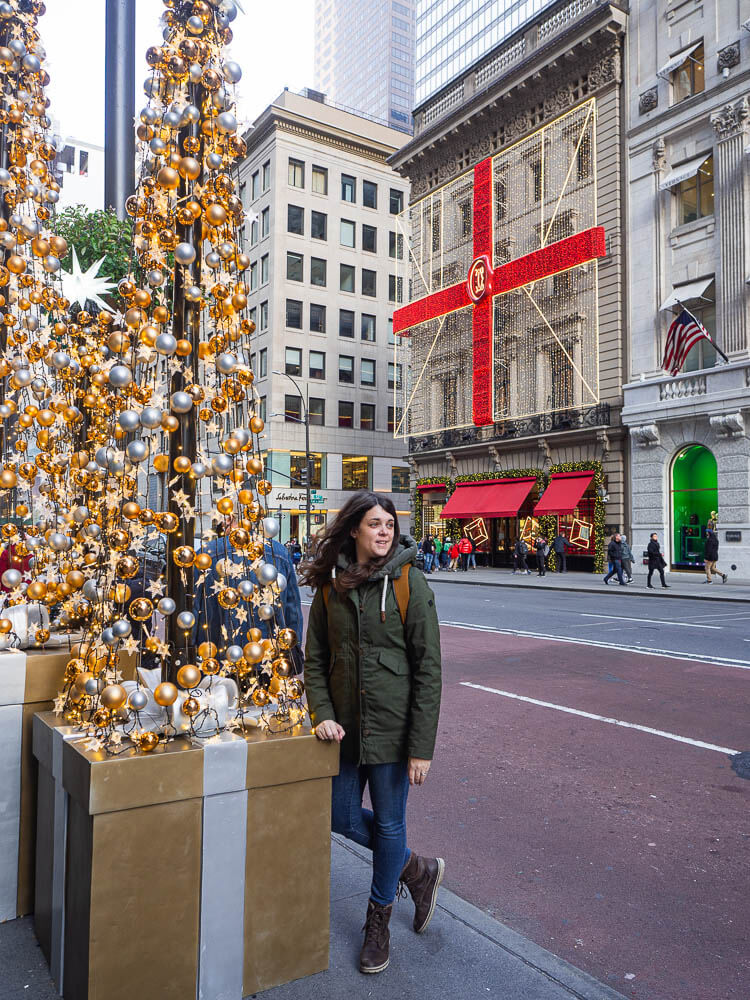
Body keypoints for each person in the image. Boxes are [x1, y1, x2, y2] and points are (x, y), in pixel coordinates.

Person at [302, 492, 443, 975]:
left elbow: (429, 671)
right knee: (338, 816)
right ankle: (416, 869)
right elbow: (315, 660)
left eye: (389, 524)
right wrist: (320, 711)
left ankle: (378, 920)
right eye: (374, 524)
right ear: (354, 531)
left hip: (392, 731)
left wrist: (420, 748)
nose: (384, 532)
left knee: (387, 824)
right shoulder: (329, 588)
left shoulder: (410, 583)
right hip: (342, 732)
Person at [193, 519, 304, 653]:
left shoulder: (207, 554)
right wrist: (294, 649)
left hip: (217, 655)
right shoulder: (279, 552)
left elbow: (194, 606)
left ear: (228, 519)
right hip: (272, 657)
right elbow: (293, 612)